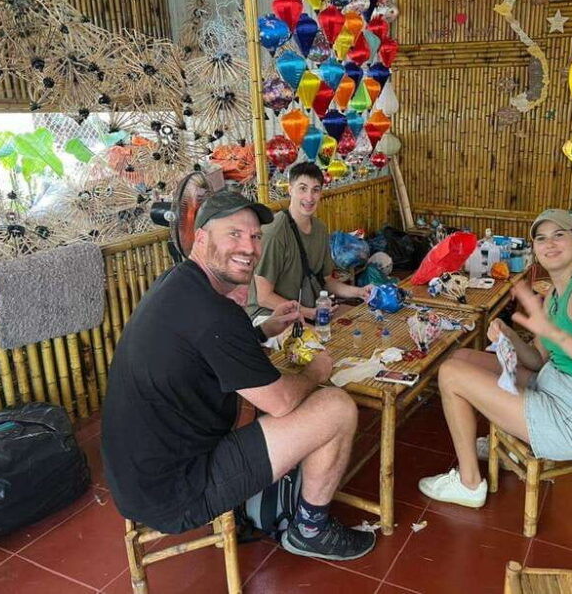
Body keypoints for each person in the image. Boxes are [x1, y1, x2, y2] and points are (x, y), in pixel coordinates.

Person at [101, 188, 375, 561]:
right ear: (200, 238)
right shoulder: (214, 313)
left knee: (273, 397)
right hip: (177, 490)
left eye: (255, 236)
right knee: (335, 407)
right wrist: (316, 369)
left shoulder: (178, 283)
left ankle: (265, 504)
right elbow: (279, 402)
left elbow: (207, 347)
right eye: (234, 234)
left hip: (138, 477)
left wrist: (263, 331)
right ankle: (311, 529)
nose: (249, 247)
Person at [418, 209, 572, 508]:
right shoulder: (554, 294)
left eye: (560, 235)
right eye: (541, 238)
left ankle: (469, 483)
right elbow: (536, 360)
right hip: (556, 386)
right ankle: (506, 439)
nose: (550, 244)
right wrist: (507, 331)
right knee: (463, 357)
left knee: (451, 374)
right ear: (534, 249)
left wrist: (554, 333)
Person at [245, 161, 372, 322]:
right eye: (302, 189)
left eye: (315, 190)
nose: (309, 198)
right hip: (268, 316)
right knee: (317, 344)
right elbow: (264, 297)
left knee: (361, 322)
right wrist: (307, 312)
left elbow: (326, 281)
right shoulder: (274, 232)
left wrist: (359, 292)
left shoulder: (320, 229)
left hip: (310, 309)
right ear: (290, 190)